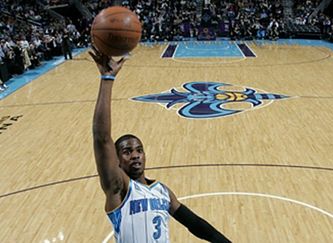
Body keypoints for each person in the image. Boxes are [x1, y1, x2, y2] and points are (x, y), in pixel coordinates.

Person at [89, 46, 231, 243]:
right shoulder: (119, 188)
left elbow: (194, 223)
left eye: (139, 150)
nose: (136, 155)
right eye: (127, 152)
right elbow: (101, 138)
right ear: (117, 161)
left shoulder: (162, 191)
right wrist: (107, 80)